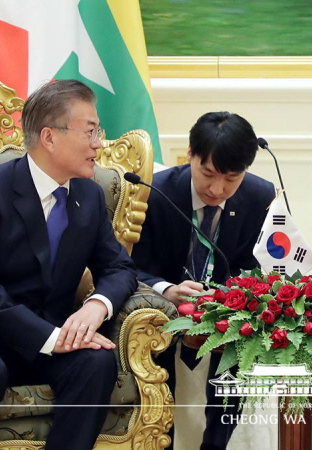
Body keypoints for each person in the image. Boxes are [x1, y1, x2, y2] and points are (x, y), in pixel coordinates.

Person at [0, 79, 138, 450]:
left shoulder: (88, 194)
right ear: (49, 137)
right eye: (90, 131)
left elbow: (118, 268)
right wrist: (52, 338)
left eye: (97, 131)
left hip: (47, 340)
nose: (98, 143)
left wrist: (94, 308)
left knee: (95, 362)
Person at [130, 111, 275, 450]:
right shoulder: (153, 192)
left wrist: (229, 298)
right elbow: (127, 265)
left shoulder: (259, 196)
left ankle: (217, 444)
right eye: (207, 173)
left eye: (231, 178)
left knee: (244, 344)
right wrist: (167, 289)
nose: (217, 189)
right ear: (190, 154)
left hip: (224, 314)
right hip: (163, 309)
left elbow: (254, 266)